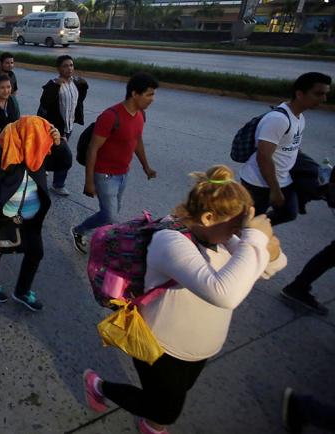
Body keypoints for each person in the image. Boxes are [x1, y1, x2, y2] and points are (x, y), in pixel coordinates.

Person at [83, 165, 287, 434]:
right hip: (161, 345)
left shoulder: (223, 236)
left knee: (175, 393)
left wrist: (264, 248)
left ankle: (151, 423)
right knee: (166, 409)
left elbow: (273, 267)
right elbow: (225, 294)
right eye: (237, 226)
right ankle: (99, 386)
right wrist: (255, 239)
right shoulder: (171, 241)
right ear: (208, 217)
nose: (240, 232)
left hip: (200, 346)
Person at [0, 116, 64, 311]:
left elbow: (64, 163)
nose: (41, 141)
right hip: (3, 217)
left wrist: (58, 143)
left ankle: (22, 291)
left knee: (36, 252)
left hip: (30, 218)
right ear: (26, 136)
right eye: (38, 137)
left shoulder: (37, 150)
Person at [70, 72, 159, 253]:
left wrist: (146, 166)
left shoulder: (141, 114)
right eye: (149, 94)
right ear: (135, 94)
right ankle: (80, 231)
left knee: (112, 212)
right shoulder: (111, 116)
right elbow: (92, 149)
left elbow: (136, 140)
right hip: (104, 174)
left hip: (123, 173)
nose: (153, 99)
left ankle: (102, 237)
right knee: (110, 215)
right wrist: (89, 182)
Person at [239, 72, 332, 226]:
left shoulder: (299, 117)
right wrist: (274, 190)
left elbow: (290, 147)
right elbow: (263, 156)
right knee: (247, 224)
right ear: (300, 94)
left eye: (325, 94)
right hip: (259, 184)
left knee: (288, 213)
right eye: (318, 94)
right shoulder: (278, 119)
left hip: (283, 179)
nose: (323, 99)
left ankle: (258, 231)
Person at [38, 55, 89, 196]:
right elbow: (45, 103)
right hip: (55, 129)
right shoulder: (53, 84)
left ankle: (49, 176)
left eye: (71, 65)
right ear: (59, 68)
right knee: (64, 156)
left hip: (68, 127)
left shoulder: (76, 83)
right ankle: (57, 184)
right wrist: (56, 86)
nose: (69, 68)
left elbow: (80, 98)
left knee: (56, 154)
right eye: (65, 66)